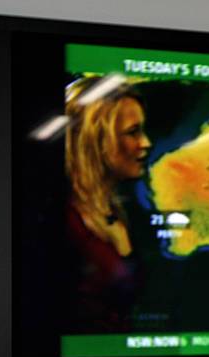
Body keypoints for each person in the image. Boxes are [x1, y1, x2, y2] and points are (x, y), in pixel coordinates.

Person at [64, 76, 152, 332]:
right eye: (132, 132)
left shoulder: (122, 211)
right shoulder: (64, 222)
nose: (145, 143)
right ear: (96, 139)